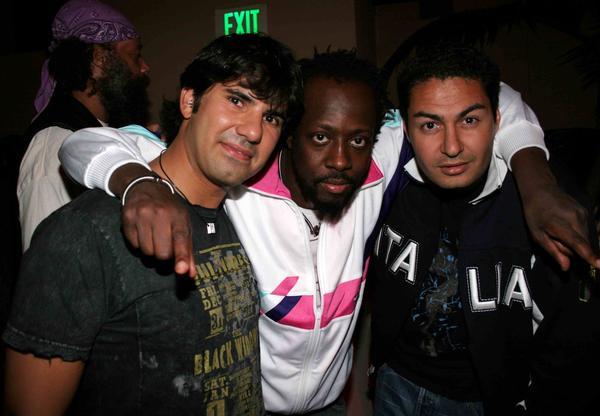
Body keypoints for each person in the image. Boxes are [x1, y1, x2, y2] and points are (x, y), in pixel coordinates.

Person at [56, 47, 593, 415]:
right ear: (288, 133)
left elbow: (489, 96)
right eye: (319, 137)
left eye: (357, 140)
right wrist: (138, 184)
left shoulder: (378, 163)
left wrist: (535, 180)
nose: (340, 159)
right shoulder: (239, 183)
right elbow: (82, 143)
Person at [3, 33, 301, 415]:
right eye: (237, 100)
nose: (253, 131)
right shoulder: (85, 232)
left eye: (271, 117)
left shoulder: (246, 218)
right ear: (189, 100)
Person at [369, 43, 551, 415]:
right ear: (407, 131)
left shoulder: (536, 202)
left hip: (484, 402)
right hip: (395, 381)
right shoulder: (391, 184)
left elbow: (567, 340)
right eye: (430, 125)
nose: (451, 146)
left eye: (469, 121)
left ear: (497, 120)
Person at [18, 0, 151, 250]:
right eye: (135, 56)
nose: (144, 67)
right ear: (100, 59)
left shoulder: (102, 131)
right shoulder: (53, 145)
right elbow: (49, 262)